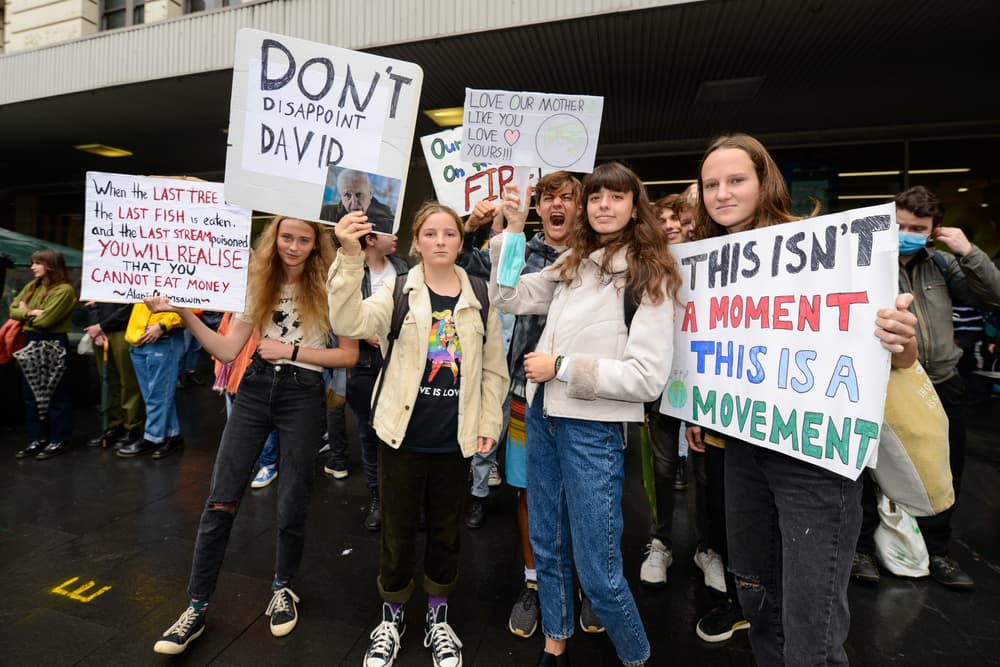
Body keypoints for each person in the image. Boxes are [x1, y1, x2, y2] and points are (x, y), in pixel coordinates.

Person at [689, 133, 919, 665]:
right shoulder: (706, 263)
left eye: (736, 180)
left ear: (765, 181)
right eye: (711, 184)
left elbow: (898, 357)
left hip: (815, 458)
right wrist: (699, 404)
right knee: (756, 592)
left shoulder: (828, 251)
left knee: (810, 620)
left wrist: (902, 342)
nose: (722, 194)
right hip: (742, 447)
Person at [490, 162, 680, 667]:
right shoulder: (574, 263)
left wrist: (563, 367)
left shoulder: (648, 274)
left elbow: (648, 378)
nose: (603, 206)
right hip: (542, 417)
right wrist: (513, 230)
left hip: (592, 429)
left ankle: (635, 656)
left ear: (635, 206)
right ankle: (555, 641)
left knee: (599, 569)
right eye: (595, 197)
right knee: (547, 544)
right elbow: (507, 296)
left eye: (615, 197)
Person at [148, 216, 358, 655]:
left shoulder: (332, 284)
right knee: (220, 499)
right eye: (286, 237)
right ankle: (196, 606)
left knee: (293, 498)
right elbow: (227, 350)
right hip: (256, 386)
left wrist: (290, 349)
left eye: (303, 239)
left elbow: (348, 355)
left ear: (315, 244)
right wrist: (181, 312)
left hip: (303, 391)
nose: (293, 246)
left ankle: (283, 588)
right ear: (274, 238)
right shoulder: (258, 283)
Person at [329, 201, 508, 667]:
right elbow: (347, 323)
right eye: (431, 233)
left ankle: (437, 616)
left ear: (461, 241)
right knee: (397, 531)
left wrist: (489, 423)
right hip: (401, 436)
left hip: (456, 438)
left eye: (449, 233)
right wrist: (348, 256)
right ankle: (391, 617)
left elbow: (494, 370)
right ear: (416, 241)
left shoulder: (481, 295)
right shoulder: (397, 291)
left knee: (447, 533)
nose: (441, 241)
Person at [462, 172, 607, 638]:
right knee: (529, 491)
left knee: (587, 497)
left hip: (584, 397)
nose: (557, 204)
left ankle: (589, 583)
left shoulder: (600, 257)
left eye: (567, 197)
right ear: (538, 208)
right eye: (549, 198)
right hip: (527, 396)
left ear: (580, 207)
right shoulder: (517, 250)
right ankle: (534, 582)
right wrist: (479, 228)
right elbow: (472, 273)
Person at [853, 185, 1000, 590]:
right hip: (882, 383)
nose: (905, 234)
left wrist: (968, 252)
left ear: (933, 229)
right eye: (898, 225)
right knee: (867, 467)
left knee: (942, 469)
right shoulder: (867, 262)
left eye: (916, 228)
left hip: (941, 382)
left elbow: (994, 297)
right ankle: (862, 550)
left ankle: (938, 552)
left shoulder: (942, 264)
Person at [341, 227, 410, 531]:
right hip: (366, 366)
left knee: (404, 436)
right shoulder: (351, 272)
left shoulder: (405, 267)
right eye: (388, 232)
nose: (396, 237)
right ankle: (378, 500)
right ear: (369, 239)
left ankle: (404, 502)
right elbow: (338, 313)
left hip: (402, 363)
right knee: (370, 436)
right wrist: (362, 333)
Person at [637, 194, 689, 589]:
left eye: (678, 218)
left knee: (708, 474)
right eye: (663, 219)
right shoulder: (648, 268)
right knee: (662, 467)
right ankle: (660, 542)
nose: (670, 226)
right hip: (662, 387)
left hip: (711, 386)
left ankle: (710, 548)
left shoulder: (718, 264)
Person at [10, 249, 77, 460]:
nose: (33, 267)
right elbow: (13, 310)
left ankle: (58, 439)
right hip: (31, 341)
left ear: (50, 265)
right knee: (30, 394)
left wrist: (26, 313)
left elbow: (46, 321)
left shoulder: (64, 290)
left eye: (37, 263)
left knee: (55, 393)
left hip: (53, 342)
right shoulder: (33, 286)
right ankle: (37, 439)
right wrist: (31, 312)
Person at [117, 301, 185, 459]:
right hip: (139, 338)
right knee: (157, 395)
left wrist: (163, 325)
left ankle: (153, 437)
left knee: (158, 395)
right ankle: (172, 435)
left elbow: (193, 307)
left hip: (163, 337)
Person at [84, 302, 145, 451]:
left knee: (128, 383)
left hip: (123, 330)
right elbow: (91, 303)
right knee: (109, 383)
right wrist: (95, 328)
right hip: (100, 332)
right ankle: (114, 425)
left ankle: (132, 427)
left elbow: (131, 306)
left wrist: (101, 326)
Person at [320, 169, 395, 233]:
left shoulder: (388, 222)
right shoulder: (326, 214)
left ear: (370, 193)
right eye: (347, 195)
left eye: (359, 194)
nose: (354, 203)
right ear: (341, 196)